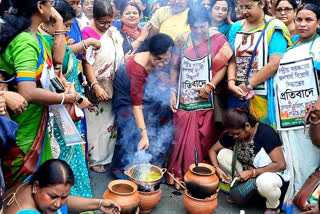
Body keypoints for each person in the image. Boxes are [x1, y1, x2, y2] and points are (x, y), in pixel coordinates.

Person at [0, 0, 81, 188]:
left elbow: (56, 63)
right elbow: (27, 92)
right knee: (22, 187)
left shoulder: (36, 37)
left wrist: (59, 21)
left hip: (35, 120)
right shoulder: (25, 41)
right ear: (39, 6)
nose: (52, 8)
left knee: (36, 181)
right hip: (23, 126)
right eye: (50, 3)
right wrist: (66, 98)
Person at [167, 6, 233, 189]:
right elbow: (174, 67)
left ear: (208, 24)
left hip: (208, 98)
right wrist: (172, 91)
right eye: (194, 27)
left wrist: (210, 86)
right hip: (185, 98)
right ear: (189, 25)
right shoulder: (181, 40)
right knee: (182, 137)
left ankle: (202, 176)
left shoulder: (218, 39)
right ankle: (181, 175)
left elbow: (225, 65)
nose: (198, 31)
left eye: (202, 26)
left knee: (204, 137)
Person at [39, 0, 93, 198]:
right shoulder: (49, 45)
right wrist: (78, 99)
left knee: (74, 157)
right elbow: (57, 82)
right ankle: (67, 201)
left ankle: (71, 200)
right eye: (65, 26)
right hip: (61, 116)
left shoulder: (52, 42)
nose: (67, 31)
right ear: (52, 23)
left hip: (68, 112)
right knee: (66, 161)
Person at [274, 4, 320, 213]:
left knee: (309, 161)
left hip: (311, 119)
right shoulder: (292, 45)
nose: (302, 24)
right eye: (299, 20)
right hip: (289, 115)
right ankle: (292, 201)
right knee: (293, 161)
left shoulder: (318, 46)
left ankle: (307, 203)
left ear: (318, 23)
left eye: (308, 20)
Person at [110, 33, 174, 178]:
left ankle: (148, 164)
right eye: (160, 60)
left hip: (141, 96)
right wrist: (144, 136)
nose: (163, 64)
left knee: (156, 116)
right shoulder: (139, 70)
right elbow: (136, 106)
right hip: (126, 99)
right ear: (152, 53)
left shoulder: (157, 58)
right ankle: (122, 171)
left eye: (166, 60)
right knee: (131, 128)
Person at [208, 107, 289, 214]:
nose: (235, 137)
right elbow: (212, 150)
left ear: (247, 126)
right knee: (222, 155)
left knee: (265, 182)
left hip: (270, 175)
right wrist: (217, 168)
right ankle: (239, 191)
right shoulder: (233, 133)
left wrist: (252, 173)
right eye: (232, 134)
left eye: (237, 134)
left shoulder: (265, 133)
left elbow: (281, 165)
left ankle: (273, 206)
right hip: (248, 175)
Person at [227, 0, 291, 129]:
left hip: (265, 95)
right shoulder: (236, 27)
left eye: (249, 7)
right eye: (241, 7)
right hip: (237, 93)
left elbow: (274, 63)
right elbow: (232, 59)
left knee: (262, 134)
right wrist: (231, 83)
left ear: (261, 4)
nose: (244, 11)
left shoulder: (275, 27)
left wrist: (249, 84)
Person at [82, 0, 124, 173]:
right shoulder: (87, 32)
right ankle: (95, 159)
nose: (106, 26)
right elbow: (87, 63)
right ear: (94, 18)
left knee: (109, 124)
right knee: (95, 125)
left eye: (109, 22)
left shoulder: (112, 31)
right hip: (96, 86)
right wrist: (95, 86)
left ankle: (107, 157)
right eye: (102, 22)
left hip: (112, 85)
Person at [2, 159, 120, 214]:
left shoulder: (31, 185)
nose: (58, 204)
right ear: (37, 187)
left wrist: (99, 204)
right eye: (53, 196)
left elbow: (66, 202)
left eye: (63, 197)